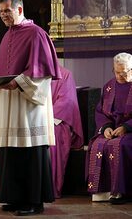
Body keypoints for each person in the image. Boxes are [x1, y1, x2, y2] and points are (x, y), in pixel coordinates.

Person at [0, 0, 61, 216]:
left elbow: (41, 75)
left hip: (28, 105)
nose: (3, 15)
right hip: (10, 103)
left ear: (19, 10)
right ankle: (13, 197)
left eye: (7, 11)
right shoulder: (7, 36)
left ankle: (33, 201)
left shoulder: (36, 34)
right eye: (1, 12)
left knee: (30, 152)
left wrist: (18, 83)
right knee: (11, 151)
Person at [86, 52, 132, 204]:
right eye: (117, 72)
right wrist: (105, 127)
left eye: (124, 73)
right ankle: (102, 192)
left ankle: (121, 191)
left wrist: (126, 127)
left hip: (129, 130)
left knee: (120, 145)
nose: (120, 76)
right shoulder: (109, 87)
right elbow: (100, 111)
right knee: (98, 144)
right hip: (113, 129)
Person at [50, 65, 84, 198]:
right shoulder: (29, 73)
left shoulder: (64, 74)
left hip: (56, 121)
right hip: (33, 119)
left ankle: (47, 188)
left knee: (52, 136)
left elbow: (67, 101)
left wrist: (45, 119)